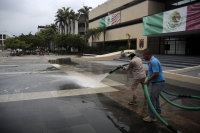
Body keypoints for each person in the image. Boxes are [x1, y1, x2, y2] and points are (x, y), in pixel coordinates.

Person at [142, 49, 165, 122]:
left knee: (151, 98)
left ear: (147, 54)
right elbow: (152, 72)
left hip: (158, 82)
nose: (143, 57)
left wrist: (148, 80)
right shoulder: (152, 61)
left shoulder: (153, 61)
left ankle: (152, 117)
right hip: (157, 82)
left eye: (144, 55)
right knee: (155, 98)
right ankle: (158, 112)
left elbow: (156, 73)